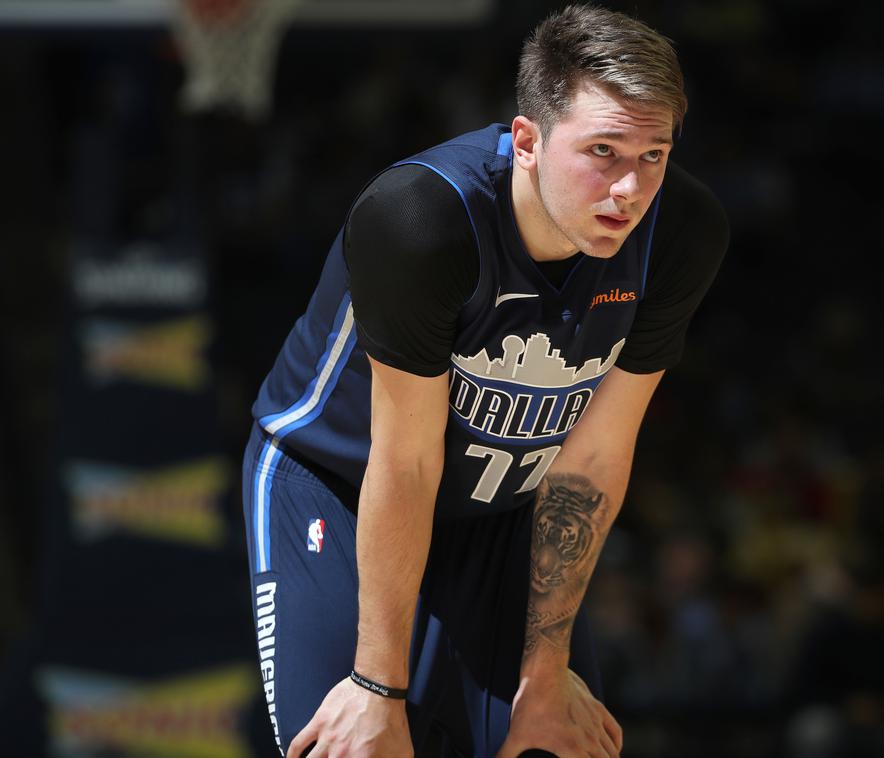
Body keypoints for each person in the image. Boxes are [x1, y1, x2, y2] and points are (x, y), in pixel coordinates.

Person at [241, 4, 728, 756]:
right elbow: (404, 461)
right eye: (604, 151)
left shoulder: (681, 233)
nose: (630, 189)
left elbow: (594, 460)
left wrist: (546, 671)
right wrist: (376, 686)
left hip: (507, 509)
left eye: (653, 156)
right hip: (337, 483)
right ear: (527, 141)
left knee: (549, 739)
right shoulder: (421, 219)